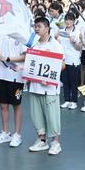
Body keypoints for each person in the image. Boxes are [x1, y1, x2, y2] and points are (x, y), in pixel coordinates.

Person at [27, 16, 65, 156]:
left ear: (47, 28)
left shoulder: (56, 45)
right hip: (35, 85)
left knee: (52, 115)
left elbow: (62, 65)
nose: (36, 29)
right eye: (35, 27)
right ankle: (42, 140)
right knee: (36, 114)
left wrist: (48, 77)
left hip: (49, 87)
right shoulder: (34, 44)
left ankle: (55, 142)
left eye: (39, 26)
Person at [0, 33, 25, 148]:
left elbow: (25, 56)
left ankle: (17, 134)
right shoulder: (2, 34)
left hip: (16, 76)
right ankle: (5, 132)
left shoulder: (21, 35)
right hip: (2, 75)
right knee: (3, 105)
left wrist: (8, 58)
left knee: (16, 105)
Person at [58, 11, 83, 110]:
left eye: (70, 20)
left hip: (74, 59)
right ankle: (67, 100)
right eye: (66, 19)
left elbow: (79, 47)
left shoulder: (77, 32)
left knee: (73, 82)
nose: (68, 21)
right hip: (63, 59)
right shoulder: (61, 31)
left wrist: (75, 42)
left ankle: (74, 101)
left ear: (74, 21)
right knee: (65, 81)